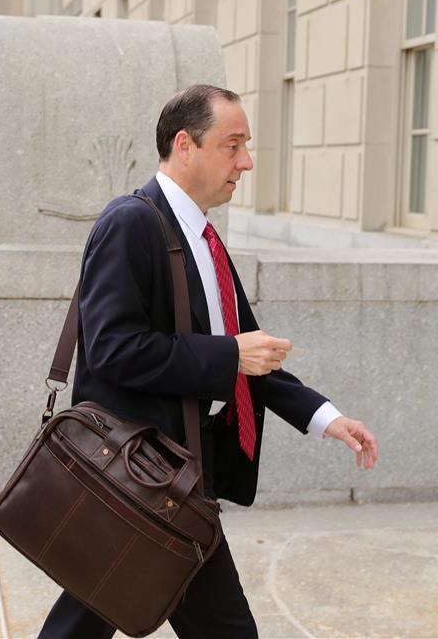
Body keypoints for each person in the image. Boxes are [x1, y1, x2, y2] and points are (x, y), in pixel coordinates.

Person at [39, 84, 379, 639]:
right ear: (185, 145)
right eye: (232, 145)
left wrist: (326, 417)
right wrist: (229, 354)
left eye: (246, 147)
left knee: (88, 620)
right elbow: (112, 349)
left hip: (171, 480)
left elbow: (250, 353)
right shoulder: (131, 223)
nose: (246, 162)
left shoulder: (202, 236)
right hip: (141, 479)